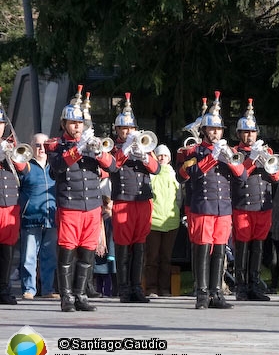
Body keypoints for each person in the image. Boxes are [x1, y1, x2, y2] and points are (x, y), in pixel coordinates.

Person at [45, 87, 116, 312]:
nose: (77, 127)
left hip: (92, 206)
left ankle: (81, 294)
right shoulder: (57, 145)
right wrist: (78, 148)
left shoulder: (91, 144)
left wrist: (98, 153)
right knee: (67, 252)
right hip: (70, 205)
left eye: (80, 123)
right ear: (64, 124)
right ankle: (66, 296)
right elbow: (56, 166)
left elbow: (113, 166)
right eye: (73, 123)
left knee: (87, 253)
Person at [177, 91, 246, 309]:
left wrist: (229, 159)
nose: (216, 133)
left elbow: (242, 176)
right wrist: (211, 158)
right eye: (212, 129)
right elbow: (187, 175)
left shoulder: (229, 151)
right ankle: (201, 292)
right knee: (202, 248)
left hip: (223, 207)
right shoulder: (194, 151)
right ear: (204, 131)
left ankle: (217, 293)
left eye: (218, 129)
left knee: (219, 249)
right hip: (203, 206)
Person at [110, 93, 160, 304]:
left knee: (140, 244)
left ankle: (137, 287)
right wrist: (125, 149)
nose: (127, 132)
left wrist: (145, 156)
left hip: (142, 201)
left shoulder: (145, 146)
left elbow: (157, 169)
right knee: (123, 245)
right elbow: (111, 166)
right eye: (123, 129)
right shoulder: (113, 148)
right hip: (123, 200)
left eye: (130, 129)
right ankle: (123, 288)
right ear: (118, 131)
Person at [231, 99, 279, 301]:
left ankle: (255, 284)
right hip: (243, 205)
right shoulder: (235, 153)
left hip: (263, 204)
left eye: (252, 132)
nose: (249, 135)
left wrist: (267, 161)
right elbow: (240, 174)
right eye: (245, 132)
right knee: (243, 247)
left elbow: (277, 177)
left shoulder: (267, 152)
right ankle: (241, 286)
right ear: (239, 134)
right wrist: (252, 158)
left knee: (258, 247)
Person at [19, 133, 58, 300]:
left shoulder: (55, 166)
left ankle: (48, 289)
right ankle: (29, 289)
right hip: (30, 217)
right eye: (37, 145)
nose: (41, 148)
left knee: (49, 257)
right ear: (31, 146)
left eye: (44, 145)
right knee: (28, 256)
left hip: (51, 217)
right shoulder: (26, 166)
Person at [0, 102, 31, 305]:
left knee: (7, 251)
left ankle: (4, 289)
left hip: (10, 203)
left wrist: (11, 154)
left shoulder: (10, 144)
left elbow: (25, 169)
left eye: (1, 123)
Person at [145, 144, 181, 297]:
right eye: (159, 155)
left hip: (171, 222)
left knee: (166, 258)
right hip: (154, 222)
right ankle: (151, 288)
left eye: (165, 156)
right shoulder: (151, 174)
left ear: (169, 158)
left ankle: (165, 289)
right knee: (152, 258)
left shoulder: (174, 175)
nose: (162, 158)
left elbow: (179, 198)